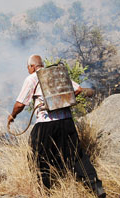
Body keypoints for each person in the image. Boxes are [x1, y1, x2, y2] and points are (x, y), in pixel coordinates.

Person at [7, 55, 106, 198]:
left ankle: (45, 192)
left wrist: (12, 116)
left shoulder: (32, 78)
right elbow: (78, 89)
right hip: (67, 122)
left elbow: (20, 104)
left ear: (33, 66)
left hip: (46, 124)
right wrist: (61, 101)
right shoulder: (57, 73)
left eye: (28, 68)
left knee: (38, 157)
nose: (28, 70)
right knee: (76, 155)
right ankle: (96, 187)